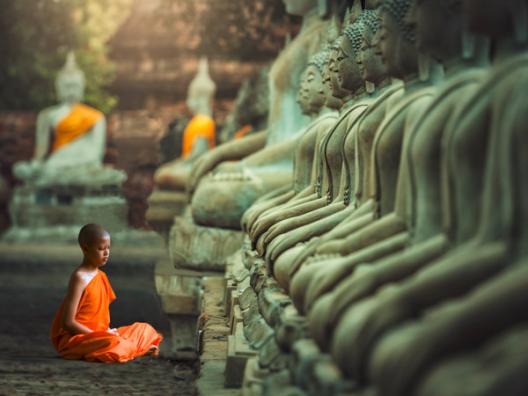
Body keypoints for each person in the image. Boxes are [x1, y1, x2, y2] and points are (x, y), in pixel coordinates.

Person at [50, 224, 162, 363]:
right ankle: (134, 349)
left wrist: (108, 331)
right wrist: (98, 335)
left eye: (108, 248)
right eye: (101, 249)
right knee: (115, 343)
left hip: (103, 335)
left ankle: (130, 348)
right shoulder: (79, 277)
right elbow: (68, 323)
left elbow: (101, 317)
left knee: (145, 329)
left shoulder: (101, 276)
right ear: (85, 249)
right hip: (80, 338)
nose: (106, 253)